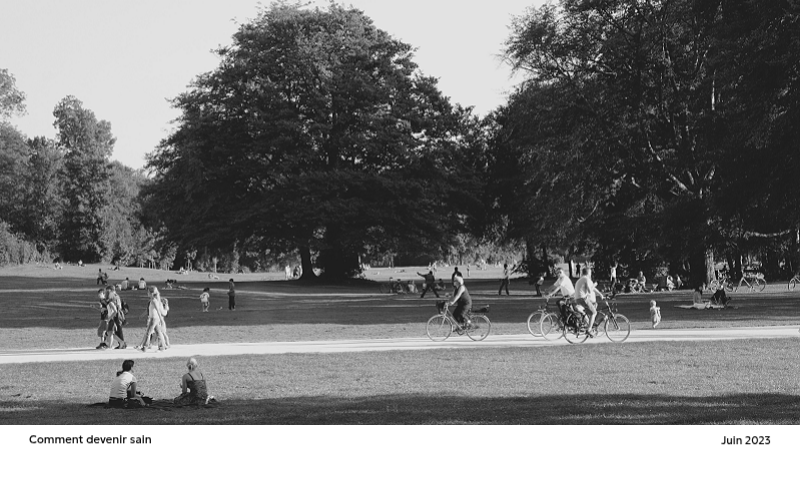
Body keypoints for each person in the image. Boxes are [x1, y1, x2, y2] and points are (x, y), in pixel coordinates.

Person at [573, 267, 604, 334]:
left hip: (577, 299)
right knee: (594, 313)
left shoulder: (581, 279)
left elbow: (591, 288)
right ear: (589, 273)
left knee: (591, 310)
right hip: (583, 298)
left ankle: (586, 322)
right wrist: (595, 284)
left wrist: (600, 294)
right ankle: (589, 329)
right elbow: (590, 290)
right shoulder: (586, 279)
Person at [139, 287, 169, 351]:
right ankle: (162, 347)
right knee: (158, 332)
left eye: (148, 292)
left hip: (154, 318)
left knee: (148, 332)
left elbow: (158, 310)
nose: (147, 293)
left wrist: (161, 319)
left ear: (151, 293)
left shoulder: (154, 300)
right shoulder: (152, 300)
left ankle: (145, 347)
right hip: (154, 318)